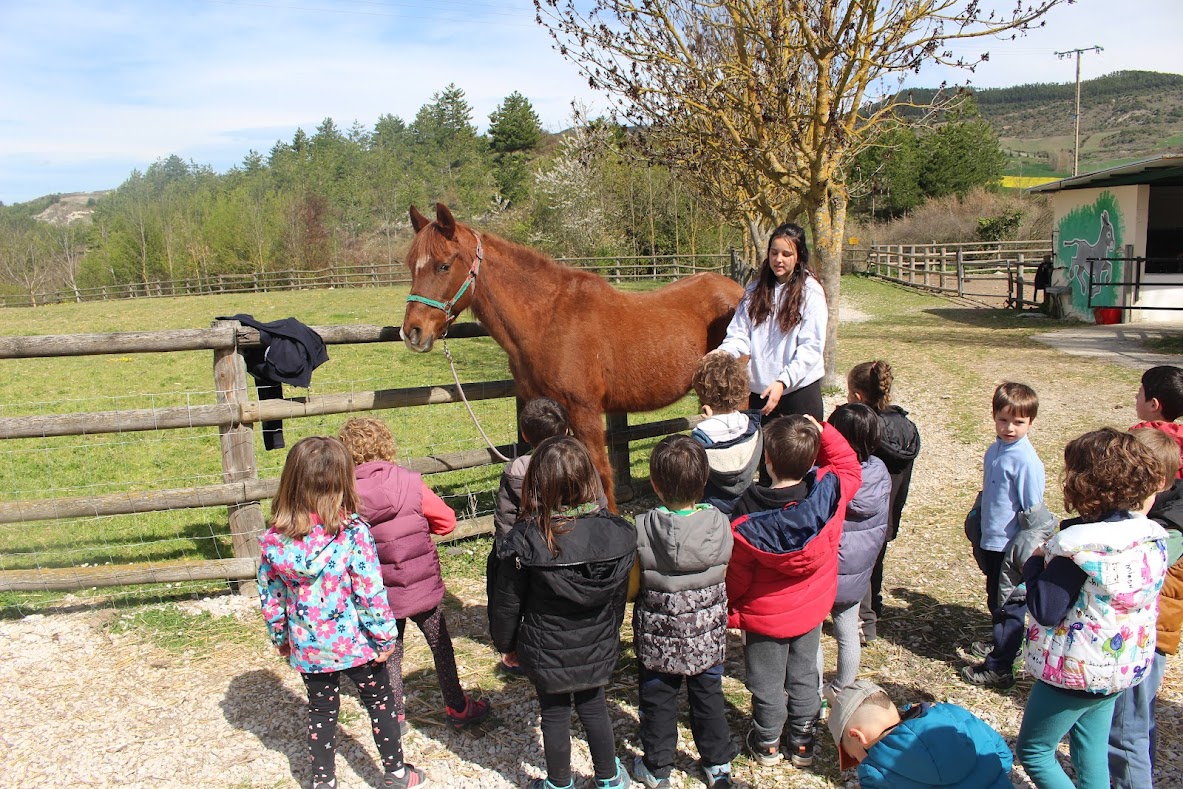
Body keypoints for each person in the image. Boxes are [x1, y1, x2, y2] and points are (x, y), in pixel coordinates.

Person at [256, 436, 427, 789]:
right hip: (356, 644)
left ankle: (323, 782)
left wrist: (281, 637)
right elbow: (370, 592)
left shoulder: (274, 539)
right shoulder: (352, 533)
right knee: (379, 703)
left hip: (309, 646)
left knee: (320, 711)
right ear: (342, 482)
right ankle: (396, 773)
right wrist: (384, 636)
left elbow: (270, 595)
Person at [1017, 428, 1169, 789]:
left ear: (1082, 485)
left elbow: (1047, 609)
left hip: (1074, 673)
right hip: (1118, 667)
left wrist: (1036, 562)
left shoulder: (1077, 548)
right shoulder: (1149, 536)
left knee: (1035, 751)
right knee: (1090, 751)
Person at [488, 436, 636, 789]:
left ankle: (559, 783)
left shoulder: (527, 538)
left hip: (545, 648)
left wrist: (506, 644)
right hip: (598, 641)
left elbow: (507, 602)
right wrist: (611, 632)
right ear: (589, 479)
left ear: (537, 482)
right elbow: (616, 598)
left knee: (554, 714)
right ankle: (609, 778)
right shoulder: (614, 534)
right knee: (594, 706)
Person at [337, 417, 490, 732]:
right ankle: (458, 706)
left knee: (390, 649)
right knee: (440, 643)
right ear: (386, 445)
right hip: (421, 583)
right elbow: (446, 521)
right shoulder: (409, 481)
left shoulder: (345, 495)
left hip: (379, 591)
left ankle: (393, 714)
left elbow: (339, 540)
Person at [727, 414, 861, 769]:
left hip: (765, 618)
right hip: (810, 610)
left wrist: (730, 607)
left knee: (766, 681)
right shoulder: (830, 492)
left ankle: (768, 741)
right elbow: (849, 467)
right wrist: (824, 432)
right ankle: (802, 742)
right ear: (812, 457)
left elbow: (736, 577)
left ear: (767, 460)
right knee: (804, 676)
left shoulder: (746, 515)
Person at [632, 435, 737, 789]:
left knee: (657, 702)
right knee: (709, 697)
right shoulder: (720, 523)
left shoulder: (643, 527)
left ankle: (658, 767)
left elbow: (634, 582)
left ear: (655, 485)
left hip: (658, 640)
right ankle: (717, 765)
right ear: (704, 480)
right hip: (706, 637)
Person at [1108, 428, 1183, 788]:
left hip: (1144, 642)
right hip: (1142, 637)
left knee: (1125, 733)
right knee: (1136, 724)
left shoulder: (1167, 530)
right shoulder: (1164, 514)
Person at [963, 382, 1045, 688]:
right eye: (1003, 420)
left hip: (1010, 546)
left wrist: (1024, 551)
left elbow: (1033, 512)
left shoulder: (1025, 461)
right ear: (994, 416)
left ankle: (1000, 666)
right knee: (995, 597)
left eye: (1018, 422)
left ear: (1030, 422)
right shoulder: (995, 449)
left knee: (1009, 603)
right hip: (992, 540)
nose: (1009, 428)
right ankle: (1003, 646)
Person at [715, 222, 827, 427]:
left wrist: (783, 381)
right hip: (761, 396)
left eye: (786, 254)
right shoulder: (755, 290)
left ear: (799, 256)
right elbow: (739, 334)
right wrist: (721, 354)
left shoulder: (811, 293)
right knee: (764, 458)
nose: (778, 259)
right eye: (774, 253)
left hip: (797, 394)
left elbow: (810, 348)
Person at [846, 360, 920, 644]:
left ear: (859, 397)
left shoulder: (860, 427)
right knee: (877, 557)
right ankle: (875, 604)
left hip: (864, 512)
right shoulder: (906, 427)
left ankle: (864, 618)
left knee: (860, 561)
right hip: (890, 509)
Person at [827, 680, 1013, 788]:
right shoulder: (952, 714)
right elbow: (1003, 754)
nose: (859, 762)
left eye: (854, 756)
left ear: (858, 736)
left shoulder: (874, 773)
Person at [823, 404, 890, 697]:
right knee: (848, 629)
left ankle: (812, 688)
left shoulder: (829, 477)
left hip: (826, 570)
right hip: (859, 569)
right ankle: (844, 685)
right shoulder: (880, 472)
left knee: (811, 634)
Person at [690, 351, 762, 504]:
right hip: (744, 505)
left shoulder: (701, 436)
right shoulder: (751, 426)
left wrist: (710, 421)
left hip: (711, 508)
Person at [1131, 365, 1183, 476]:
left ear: (1153, 404)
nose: (1136, 396)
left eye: (1140, 392)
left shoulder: (1137, 438)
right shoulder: (1180, 438)